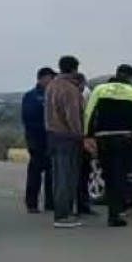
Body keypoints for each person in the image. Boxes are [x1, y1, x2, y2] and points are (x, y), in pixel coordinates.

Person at [84, 64, 132, 227]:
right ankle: (116, 213)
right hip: (125, 138)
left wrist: (87, 135)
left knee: (108, 175)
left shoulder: (100, 90)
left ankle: (114, 211)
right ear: (131, 77)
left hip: (103, 138)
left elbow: (88, 112)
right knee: (121, 175)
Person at [45, 55, 87, 228]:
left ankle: (61, 211)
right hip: (67, 137)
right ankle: (63, 215)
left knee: (58, 176)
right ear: (74, 69)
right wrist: (81, 136)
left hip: (53, 135)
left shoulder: (51, 86)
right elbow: (73, 117)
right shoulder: (70, 89)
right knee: (67, 177)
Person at [21, 67, 56, 213]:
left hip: (51, 139)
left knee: (51, 173)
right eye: (50, 78)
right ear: (42, 78)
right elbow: (28, 118)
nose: (52, 81)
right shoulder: (32, 96)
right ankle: (32, 203)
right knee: (35, 172)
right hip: (36, 139)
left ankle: (50, 203)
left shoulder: (52, 95)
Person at [75, 73, 95, 216]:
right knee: (78, 174)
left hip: (84, 139)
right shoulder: (74, 95)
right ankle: (79, 205)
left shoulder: (88, 95)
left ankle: (83, 204)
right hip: (77, 139)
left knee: (83, 174)